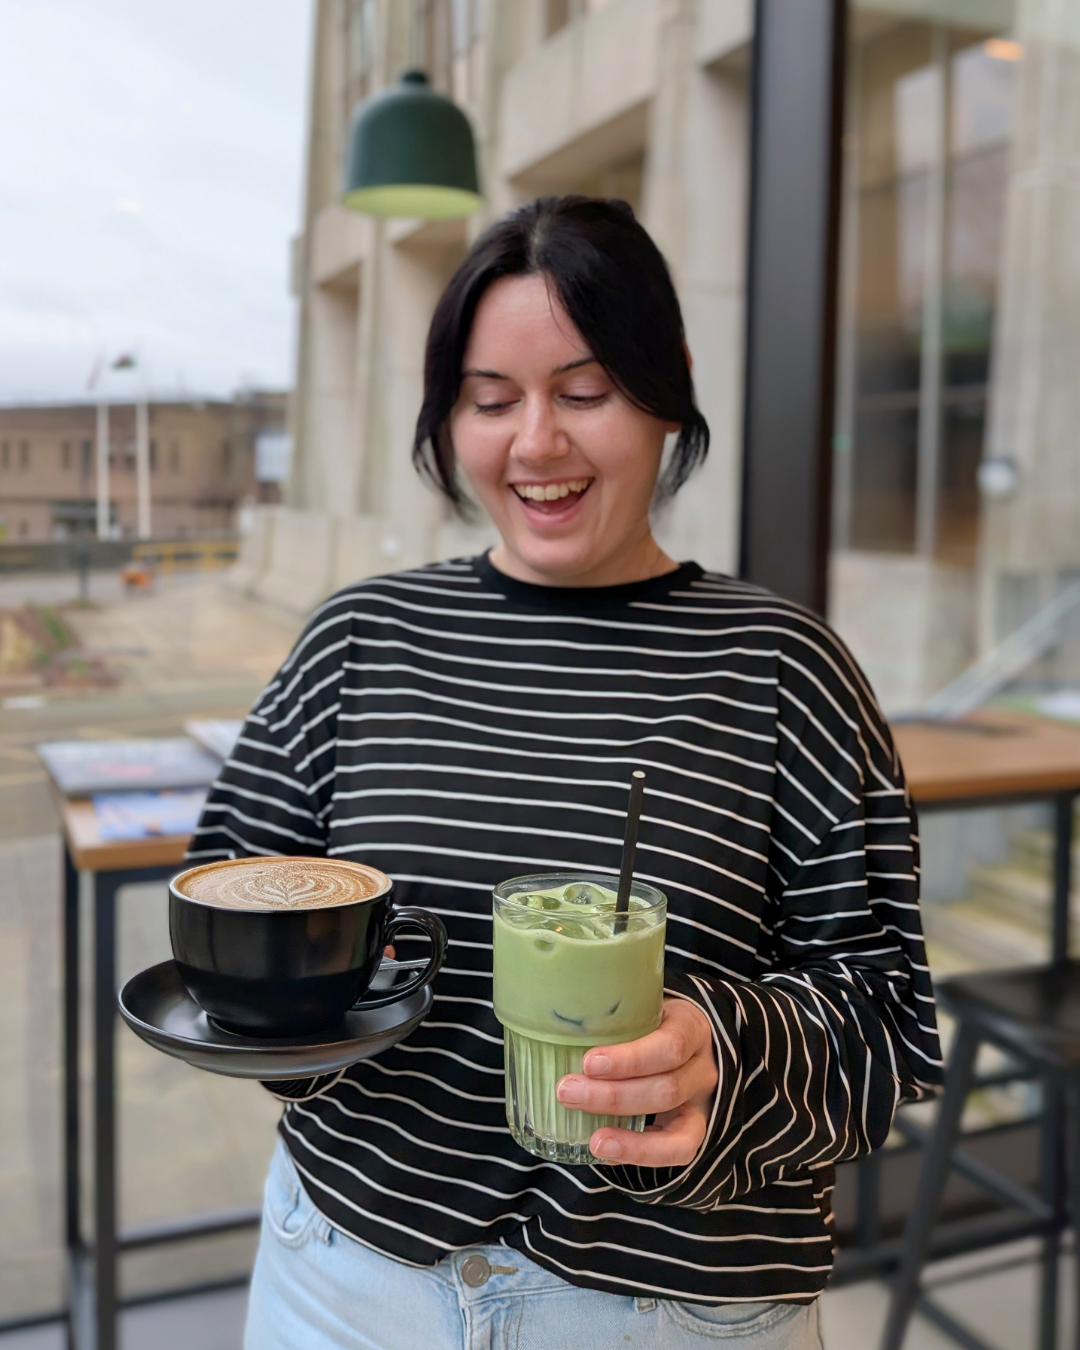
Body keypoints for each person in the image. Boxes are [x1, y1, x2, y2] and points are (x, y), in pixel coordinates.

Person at [190, 196, 941, 1349]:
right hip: (342, 1278)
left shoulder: (780, 667)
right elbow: (230, 890)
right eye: (491, 401)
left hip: (671, 1309)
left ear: (667, 386)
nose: (535, 443)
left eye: (584, 393)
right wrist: (283, 1017)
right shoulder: (361, 639)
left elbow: (887, 1022)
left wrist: (722, 1056)